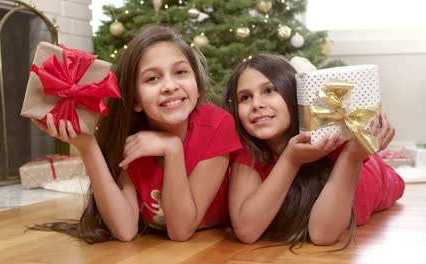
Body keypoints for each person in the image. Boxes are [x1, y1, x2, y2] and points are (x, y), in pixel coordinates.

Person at [31, 24, 242, 243]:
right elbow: (125, 230)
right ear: (135, 100)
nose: (170, 86)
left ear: (197, 87)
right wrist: (87, 146)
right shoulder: (128, 137)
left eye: (180, 72)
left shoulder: (217, 124)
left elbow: (181, 231)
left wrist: (172, 149)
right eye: (152, 78)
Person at [222, 54, 405, 249]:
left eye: (269, 90)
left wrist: (353, 157)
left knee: (389, 176)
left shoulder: (335, 146)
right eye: (245, 97)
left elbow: (322, 235)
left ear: (294, 96)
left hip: (363, 168)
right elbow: (247, 231)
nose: (256, 104)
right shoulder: (248, 150)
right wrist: (291, 160)